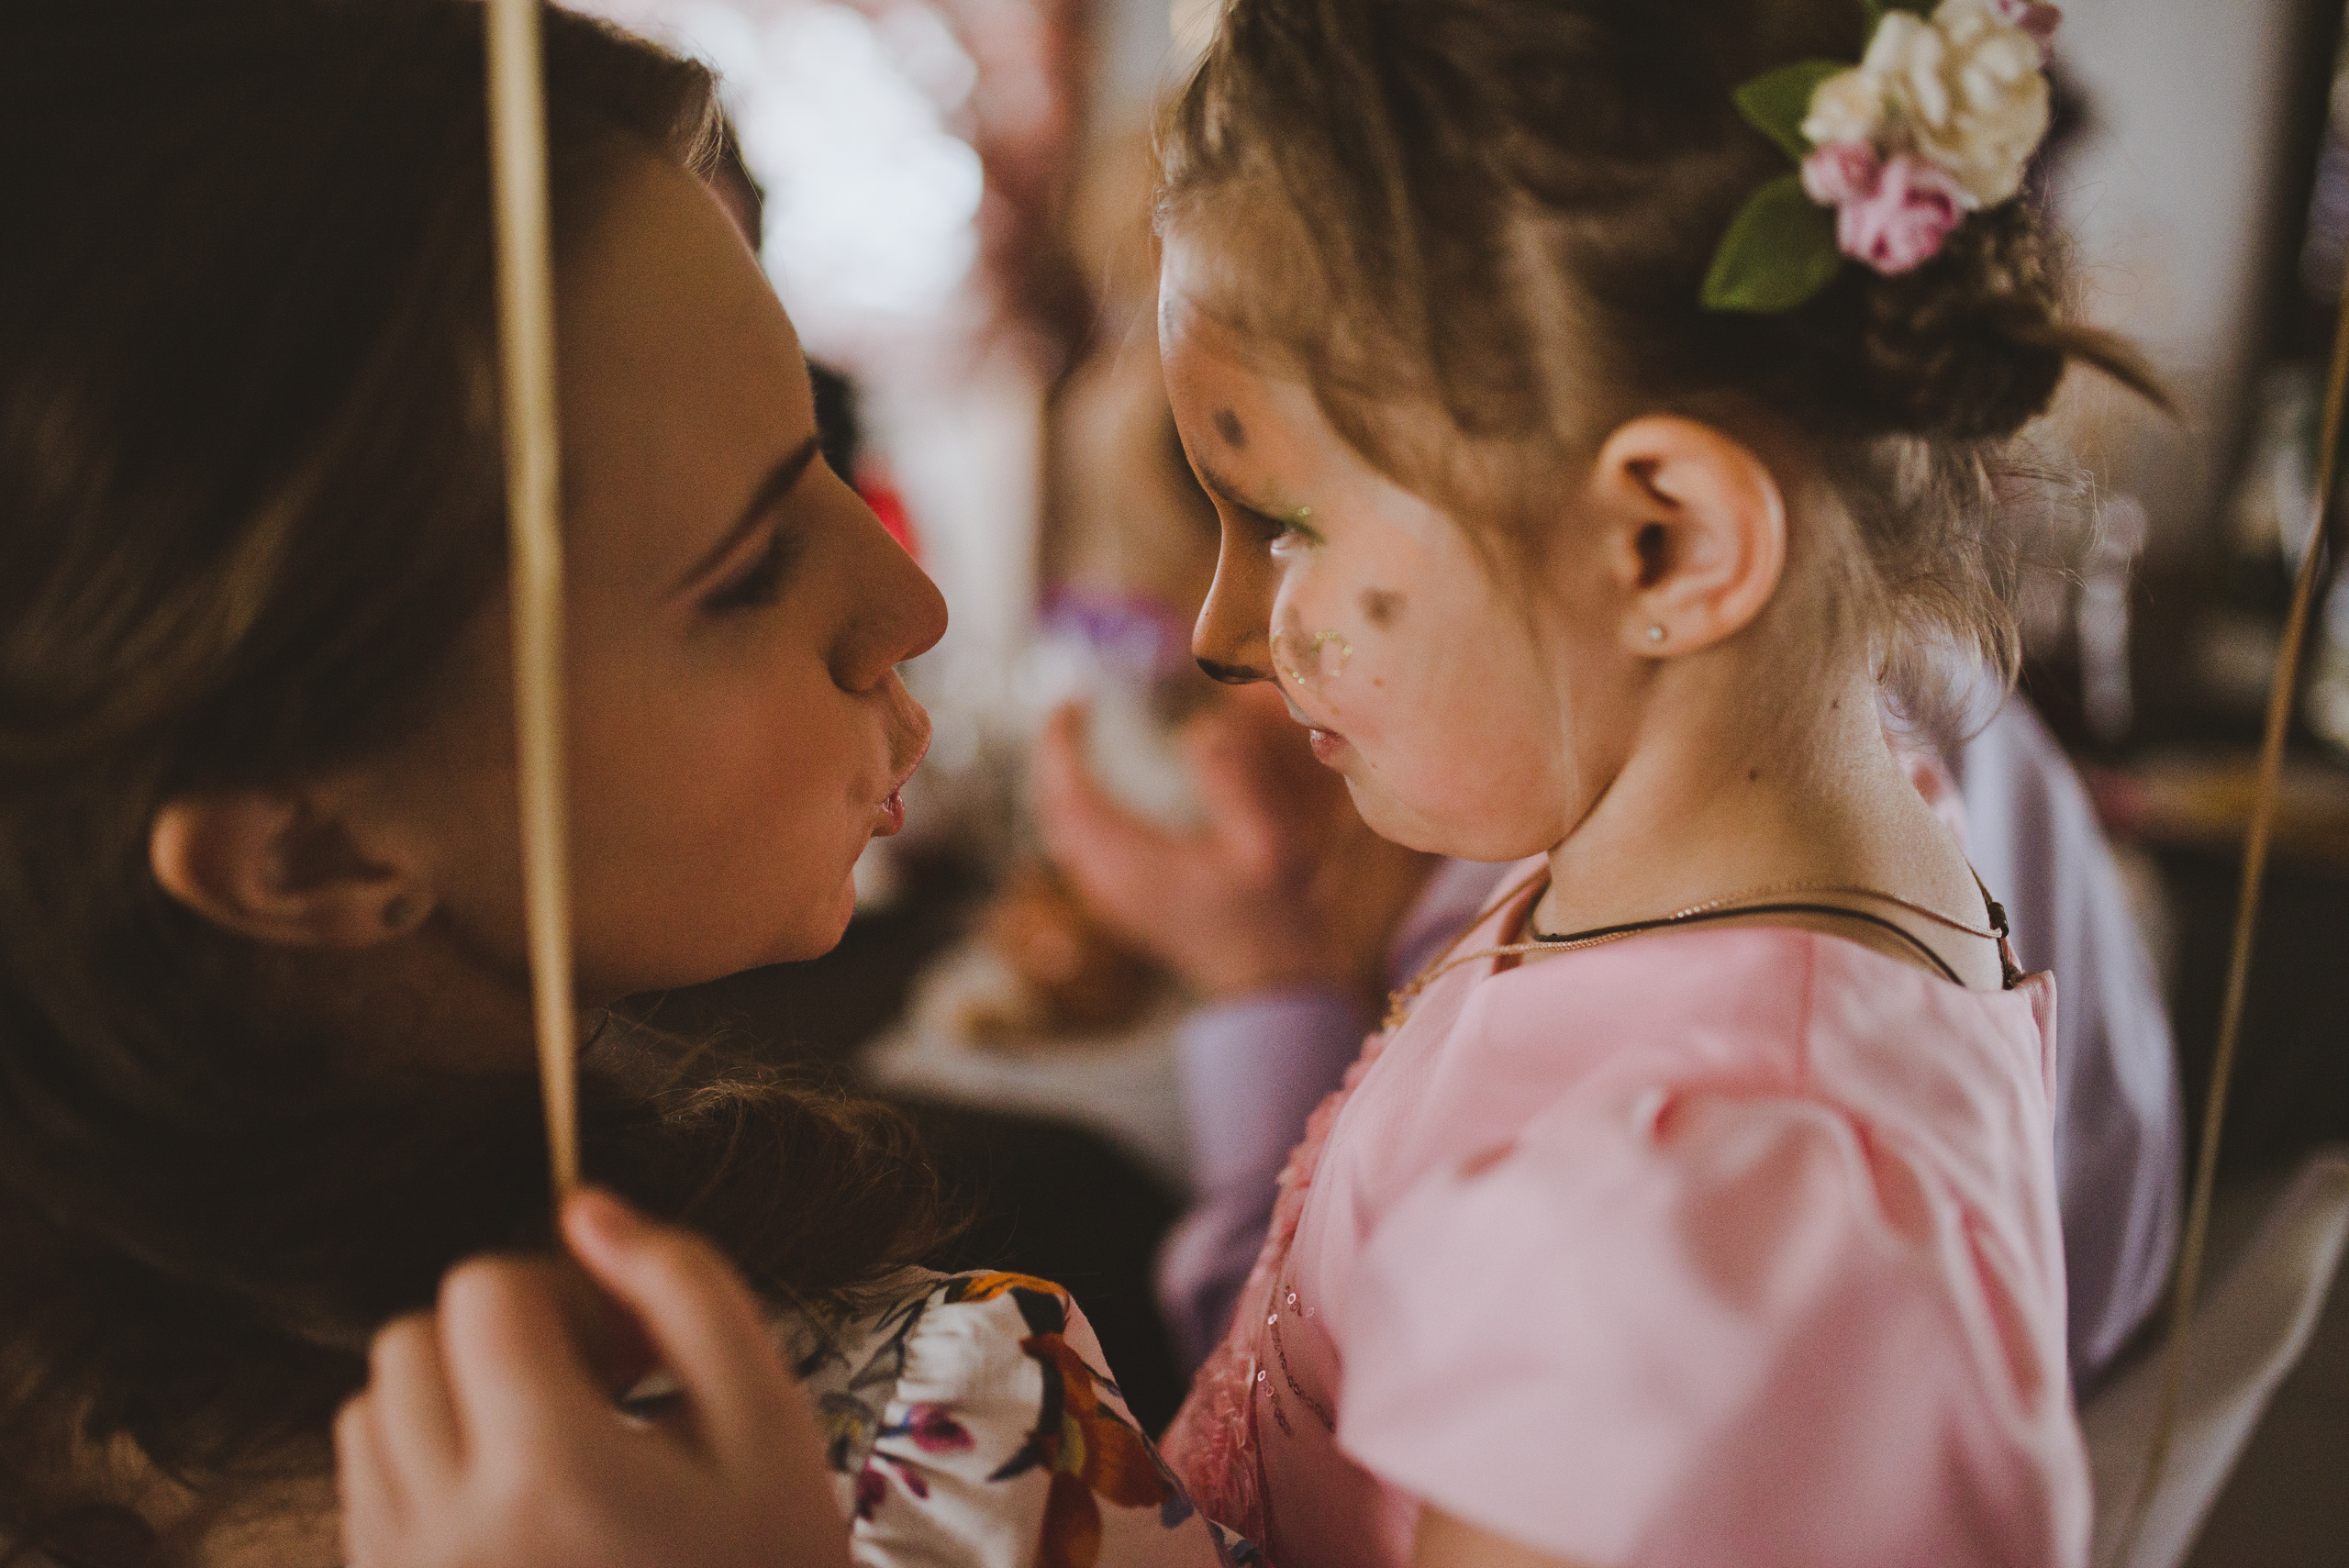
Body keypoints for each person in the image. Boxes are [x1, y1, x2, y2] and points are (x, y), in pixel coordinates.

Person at [0, 6, 1239, 1566]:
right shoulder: (918, 1450)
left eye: (824, 450)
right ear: (312, 846)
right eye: (749, 567)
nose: (909, 610)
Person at [1139, 0, 2165, 1562]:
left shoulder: (1685, 1261)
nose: (1219, 632)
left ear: (1663, 540)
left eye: (1284, 523)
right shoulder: (1749, 846)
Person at [1039, 681, 2183, 1390]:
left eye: (1301, 525)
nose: (1227, 635)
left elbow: (1307, 1426)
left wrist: (1267, 974)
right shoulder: (1897, 694)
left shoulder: (1632, 956)